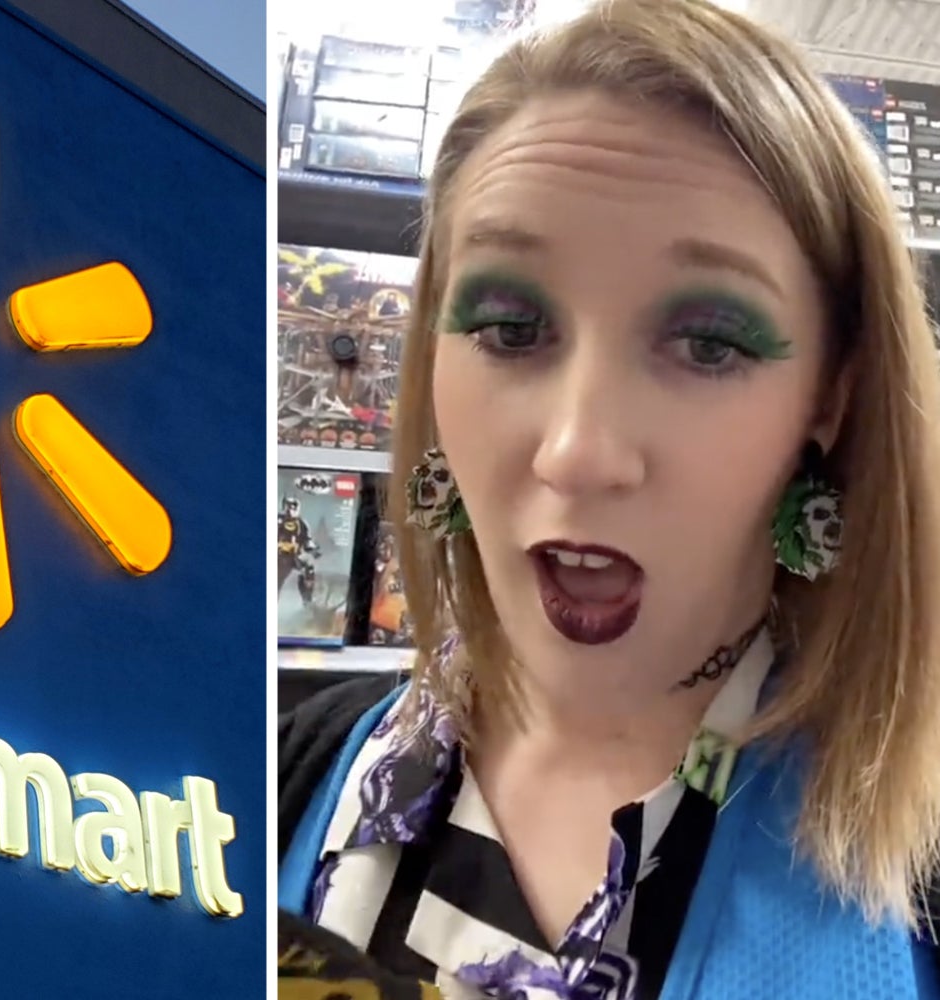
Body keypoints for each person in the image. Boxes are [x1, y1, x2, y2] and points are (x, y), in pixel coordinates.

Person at [278, 1, 940, 997]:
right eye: (507, 328)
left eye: (707, 343)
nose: (577, 452)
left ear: (831, 395)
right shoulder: (287, 766)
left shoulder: (914, 858)